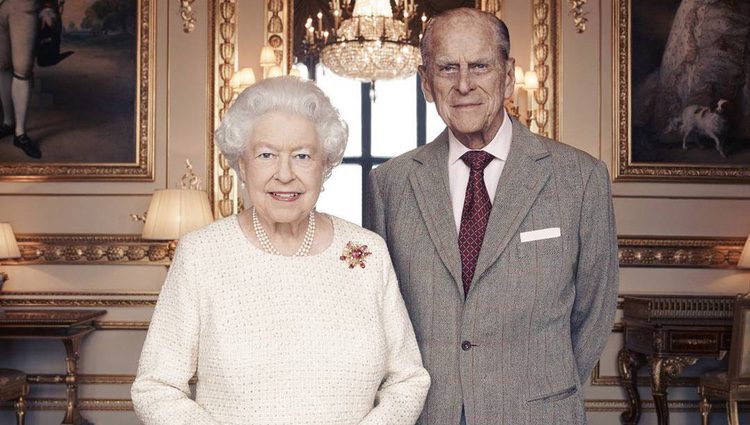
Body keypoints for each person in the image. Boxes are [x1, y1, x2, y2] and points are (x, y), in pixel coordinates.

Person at [366, 7, 618, 425]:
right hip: (428, 413)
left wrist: (541, 383)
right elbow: (381, 314)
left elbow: (595, 309)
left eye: (479, 66)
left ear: (508, 74)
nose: (463, 84)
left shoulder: (580, 178)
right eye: (447, 68)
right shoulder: (390, 184)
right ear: (427, 83)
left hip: (536, 412)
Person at [132, 77, 430, 424]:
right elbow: (155, 387)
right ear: (242, 165)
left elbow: (408, 380)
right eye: (266, 155)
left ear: (325, 166)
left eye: (302, 155)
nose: (284, 174)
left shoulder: (367, 252)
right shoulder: (202, 254)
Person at [0, 0, 42, 158]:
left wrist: (48, 7)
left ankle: (20, 134)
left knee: (22, 68)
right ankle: (8, 123)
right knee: (2, 65)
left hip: (23, 4)